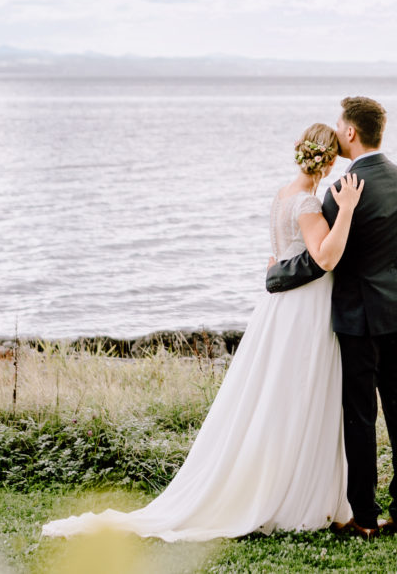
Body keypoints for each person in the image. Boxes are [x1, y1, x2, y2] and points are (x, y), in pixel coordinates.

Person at [41, 123, 363, 542]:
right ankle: (293, 494)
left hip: (280, 307)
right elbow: (324, 257)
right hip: (303, 309)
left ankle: (292, 485)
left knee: (278, 394)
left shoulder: (283, 194)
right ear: (328, 159)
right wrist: (350, 208)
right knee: (298, 393)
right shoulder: (306, 203)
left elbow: (277, 256)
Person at [266, 96, 397, 539]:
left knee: (360, 417)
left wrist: (274, 274)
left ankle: (366, 518)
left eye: (339, 124)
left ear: (351, 133)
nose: (336, 131)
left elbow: (319, 259)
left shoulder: (344, 189)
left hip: (359, 320)